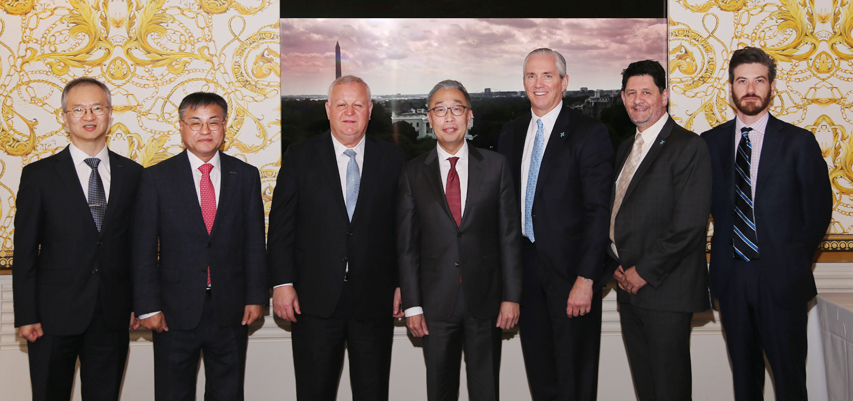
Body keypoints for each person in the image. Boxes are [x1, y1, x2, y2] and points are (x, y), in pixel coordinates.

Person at [701, 46, 832, 400]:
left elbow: (818, 213)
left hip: (781, 280)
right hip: (731, 278)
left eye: (759, 81)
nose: (750, 89)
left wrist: (789, 261)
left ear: (771, 87)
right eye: (742, 81)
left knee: (790, 382)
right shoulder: (709, 143)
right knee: (745, 383)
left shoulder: (798, 142)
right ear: (730, 88)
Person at [267, 75, 407, 400]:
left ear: (370, 110)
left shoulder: (395, 159)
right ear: (328, 109)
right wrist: (281, 283)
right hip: (313, 300)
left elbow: (403, 230)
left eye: (358, 104)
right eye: (341, 104)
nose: (349, 112)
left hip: (375, 299)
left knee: (372, 393)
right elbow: (282, 227)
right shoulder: (299, 157)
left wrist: (403, 283)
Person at [12, 77, 143, 400]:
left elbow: (138, 247)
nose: (89, 116)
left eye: (97, 108)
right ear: (64, 116)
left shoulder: (134, 174)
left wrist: (139, 303)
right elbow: (25, 250)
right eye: (79, 109)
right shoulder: (39, 175)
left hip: (112, 314)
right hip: (52, 316)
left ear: (110, 113)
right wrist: (26, 313)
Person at [132, 92, 268, 400]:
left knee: (228, 392)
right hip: (173, 312)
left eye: (213, 122)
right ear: (181, 127)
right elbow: (142, 247)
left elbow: (254, 243)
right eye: (195, 123)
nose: (204, 131)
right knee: (173, 393)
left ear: (224, 126)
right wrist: (148, 306)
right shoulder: (156, 178)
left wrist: (256, 295)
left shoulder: (245, 175)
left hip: (230, 308)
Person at [497, 48, 614, 401]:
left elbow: (599, 211)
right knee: (541, 374)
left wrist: (587, 277)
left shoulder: (589, 133)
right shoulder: (511, 133)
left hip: (571, 276)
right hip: (526, 273)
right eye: (531, 76)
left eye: (548, 75)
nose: (539, 83)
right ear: (523, 84)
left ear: (564, 82)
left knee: (574, 378)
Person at [398, 80, 522, 401]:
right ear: (430, 118)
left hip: (486, 302)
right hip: (435, 305)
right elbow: (407, 246)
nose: (449, 117)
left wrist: (512, 297)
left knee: (486, 391)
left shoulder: (496, 167)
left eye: (457, 108)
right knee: (440, 392)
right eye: (440, 110)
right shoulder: (412, 172)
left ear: (470, 116)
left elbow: (509, 237)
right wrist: (412, 304)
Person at [608, 60, 712, 401]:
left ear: (664, 96)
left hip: (665, 289)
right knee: (647, 388)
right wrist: (617, 266)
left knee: (669, 389)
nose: (639, 100)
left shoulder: (688, 146)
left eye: (647, 92)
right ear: (623, 98)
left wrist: (644, 271)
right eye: (631, 93)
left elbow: (689, 225)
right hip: (627, 286)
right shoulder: (626, 147)